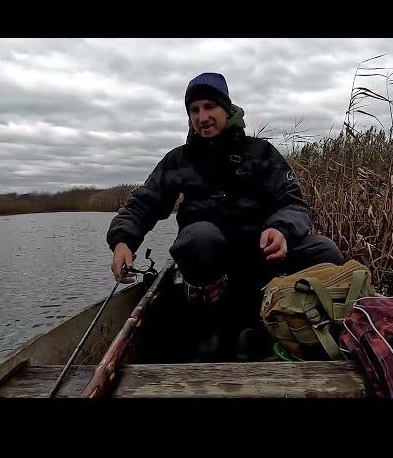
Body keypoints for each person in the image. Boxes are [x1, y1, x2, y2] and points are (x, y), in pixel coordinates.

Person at [106, 72, 344, 361]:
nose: (202, 116)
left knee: (325, 251)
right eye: (194, 110)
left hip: (259, 255)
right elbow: (143, 203)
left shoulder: (261, 153)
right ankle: (210, 328)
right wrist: (122, 241)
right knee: (199, 236)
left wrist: (280, 230)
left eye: (209, 107)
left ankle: (294, 322)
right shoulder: (178, 160)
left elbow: (294, 204)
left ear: (226, 109)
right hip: (209, 263)